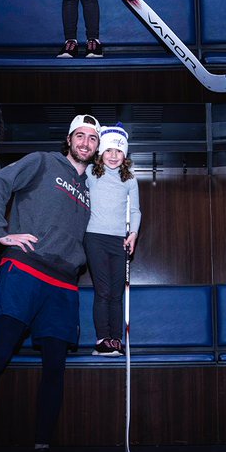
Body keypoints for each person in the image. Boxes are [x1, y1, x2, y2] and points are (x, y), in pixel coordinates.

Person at [0, 113, 101, 452]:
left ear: (98, 147)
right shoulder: (42, 161)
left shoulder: (92, 188)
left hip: (65, 283)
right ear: (68, 140)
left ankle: (42, 449)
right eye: (79, 136)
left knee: (55, 369)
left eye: (92, 139)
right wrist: (0, 230)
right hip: (26, 269)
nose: (85, 143)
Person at [84, 123, 141, 356]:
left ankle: (116, 340)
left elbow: (135, 210)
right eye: (109, 150)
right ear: (101, 152)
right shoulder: (89, 173)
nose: (114, 156)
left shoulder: (130, 179)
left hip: (119, 240)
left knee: (117, 292)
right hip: (94, 237)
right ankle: (102, 340)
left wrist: (134, 234)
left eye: (118, 151)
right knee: (103, 291)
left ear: (124, 154)